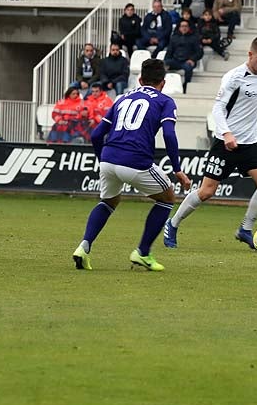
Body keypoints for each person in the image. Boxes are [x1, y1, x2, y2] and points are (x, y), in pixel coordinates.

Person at [163, 36, 257, 249]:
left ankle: (245, 229)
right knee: (206, 192)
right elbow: (218, 108)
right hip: (225, 143)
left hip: (249, 143)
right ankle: (172, 223)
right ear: (250, 54)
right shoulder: (234, 77)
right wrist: (226, 134)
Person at [73, 58, 192, 272]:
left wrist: (103, 160)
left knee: (109, 201)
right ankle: (143, 253)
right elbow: (169, 135)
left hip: (109, 158)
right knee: (167, 198)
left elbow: (97, 134)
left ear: (139, 79)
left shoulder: (121, 98)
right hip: (136, 160)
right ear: (162, 83)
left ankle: (84, 247)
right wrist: (177, 170)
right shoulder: (165, 101)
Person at [165, 20, 203, 92]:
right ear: (179, 28)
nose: (184, 28)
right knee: (162, 65)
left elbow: (199, 52)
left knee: (188, 68)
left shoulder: (194, 38)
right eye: (182, 26)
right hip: (175, 60)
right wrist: (166, 62)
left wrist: (192, 59)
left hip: (187, 61)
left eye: (186, 26)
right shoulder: (174, 38)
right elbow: (169, 51)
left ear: (189, 28)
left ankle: (186, 86)